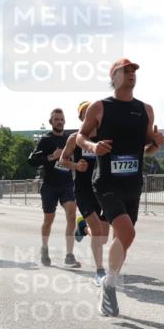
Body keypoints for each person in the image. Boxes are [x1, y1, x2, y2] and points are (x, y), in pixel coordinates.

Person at [77, 58, 164, 316]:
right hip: (107, 182)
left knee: (123, 238)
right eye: (126, 71)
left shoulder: (145, 110)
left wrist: (156, 144)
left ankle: (109, 283)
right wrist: (93, 146)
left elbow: (147, 149)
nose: (131, 74)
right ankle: (110, 283)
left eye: (134, 71)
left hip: (133, 183)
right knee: (128, 232)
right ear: (113, 76)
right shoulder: (99, 107)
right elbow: (81, 136)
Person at [61, 101, 109, 286]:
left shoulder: (104, 137)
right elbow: (63, 160)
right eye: (85, 113)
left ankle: (82, 227)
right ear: (82, 117)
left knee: (103, 237)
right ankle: (100, 271)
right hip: (83, 190)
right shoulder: (74, 138)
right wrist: (76, 166)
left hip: (103, 190)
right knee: (97, 232)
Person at [29, 108, 80, 268]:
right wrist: (52, 156)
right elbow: (32, 161)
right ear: (51, 122)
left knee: (72, 215)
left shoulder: (70, 139)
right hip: (50, 185)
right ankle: (44, 248)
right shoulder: (45, 140)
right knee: (48, 220)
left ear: (65, 121)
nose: (59, 122)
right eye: (56, 119)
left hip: (66, 184)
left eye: (61, 119)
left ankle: (69, 256)